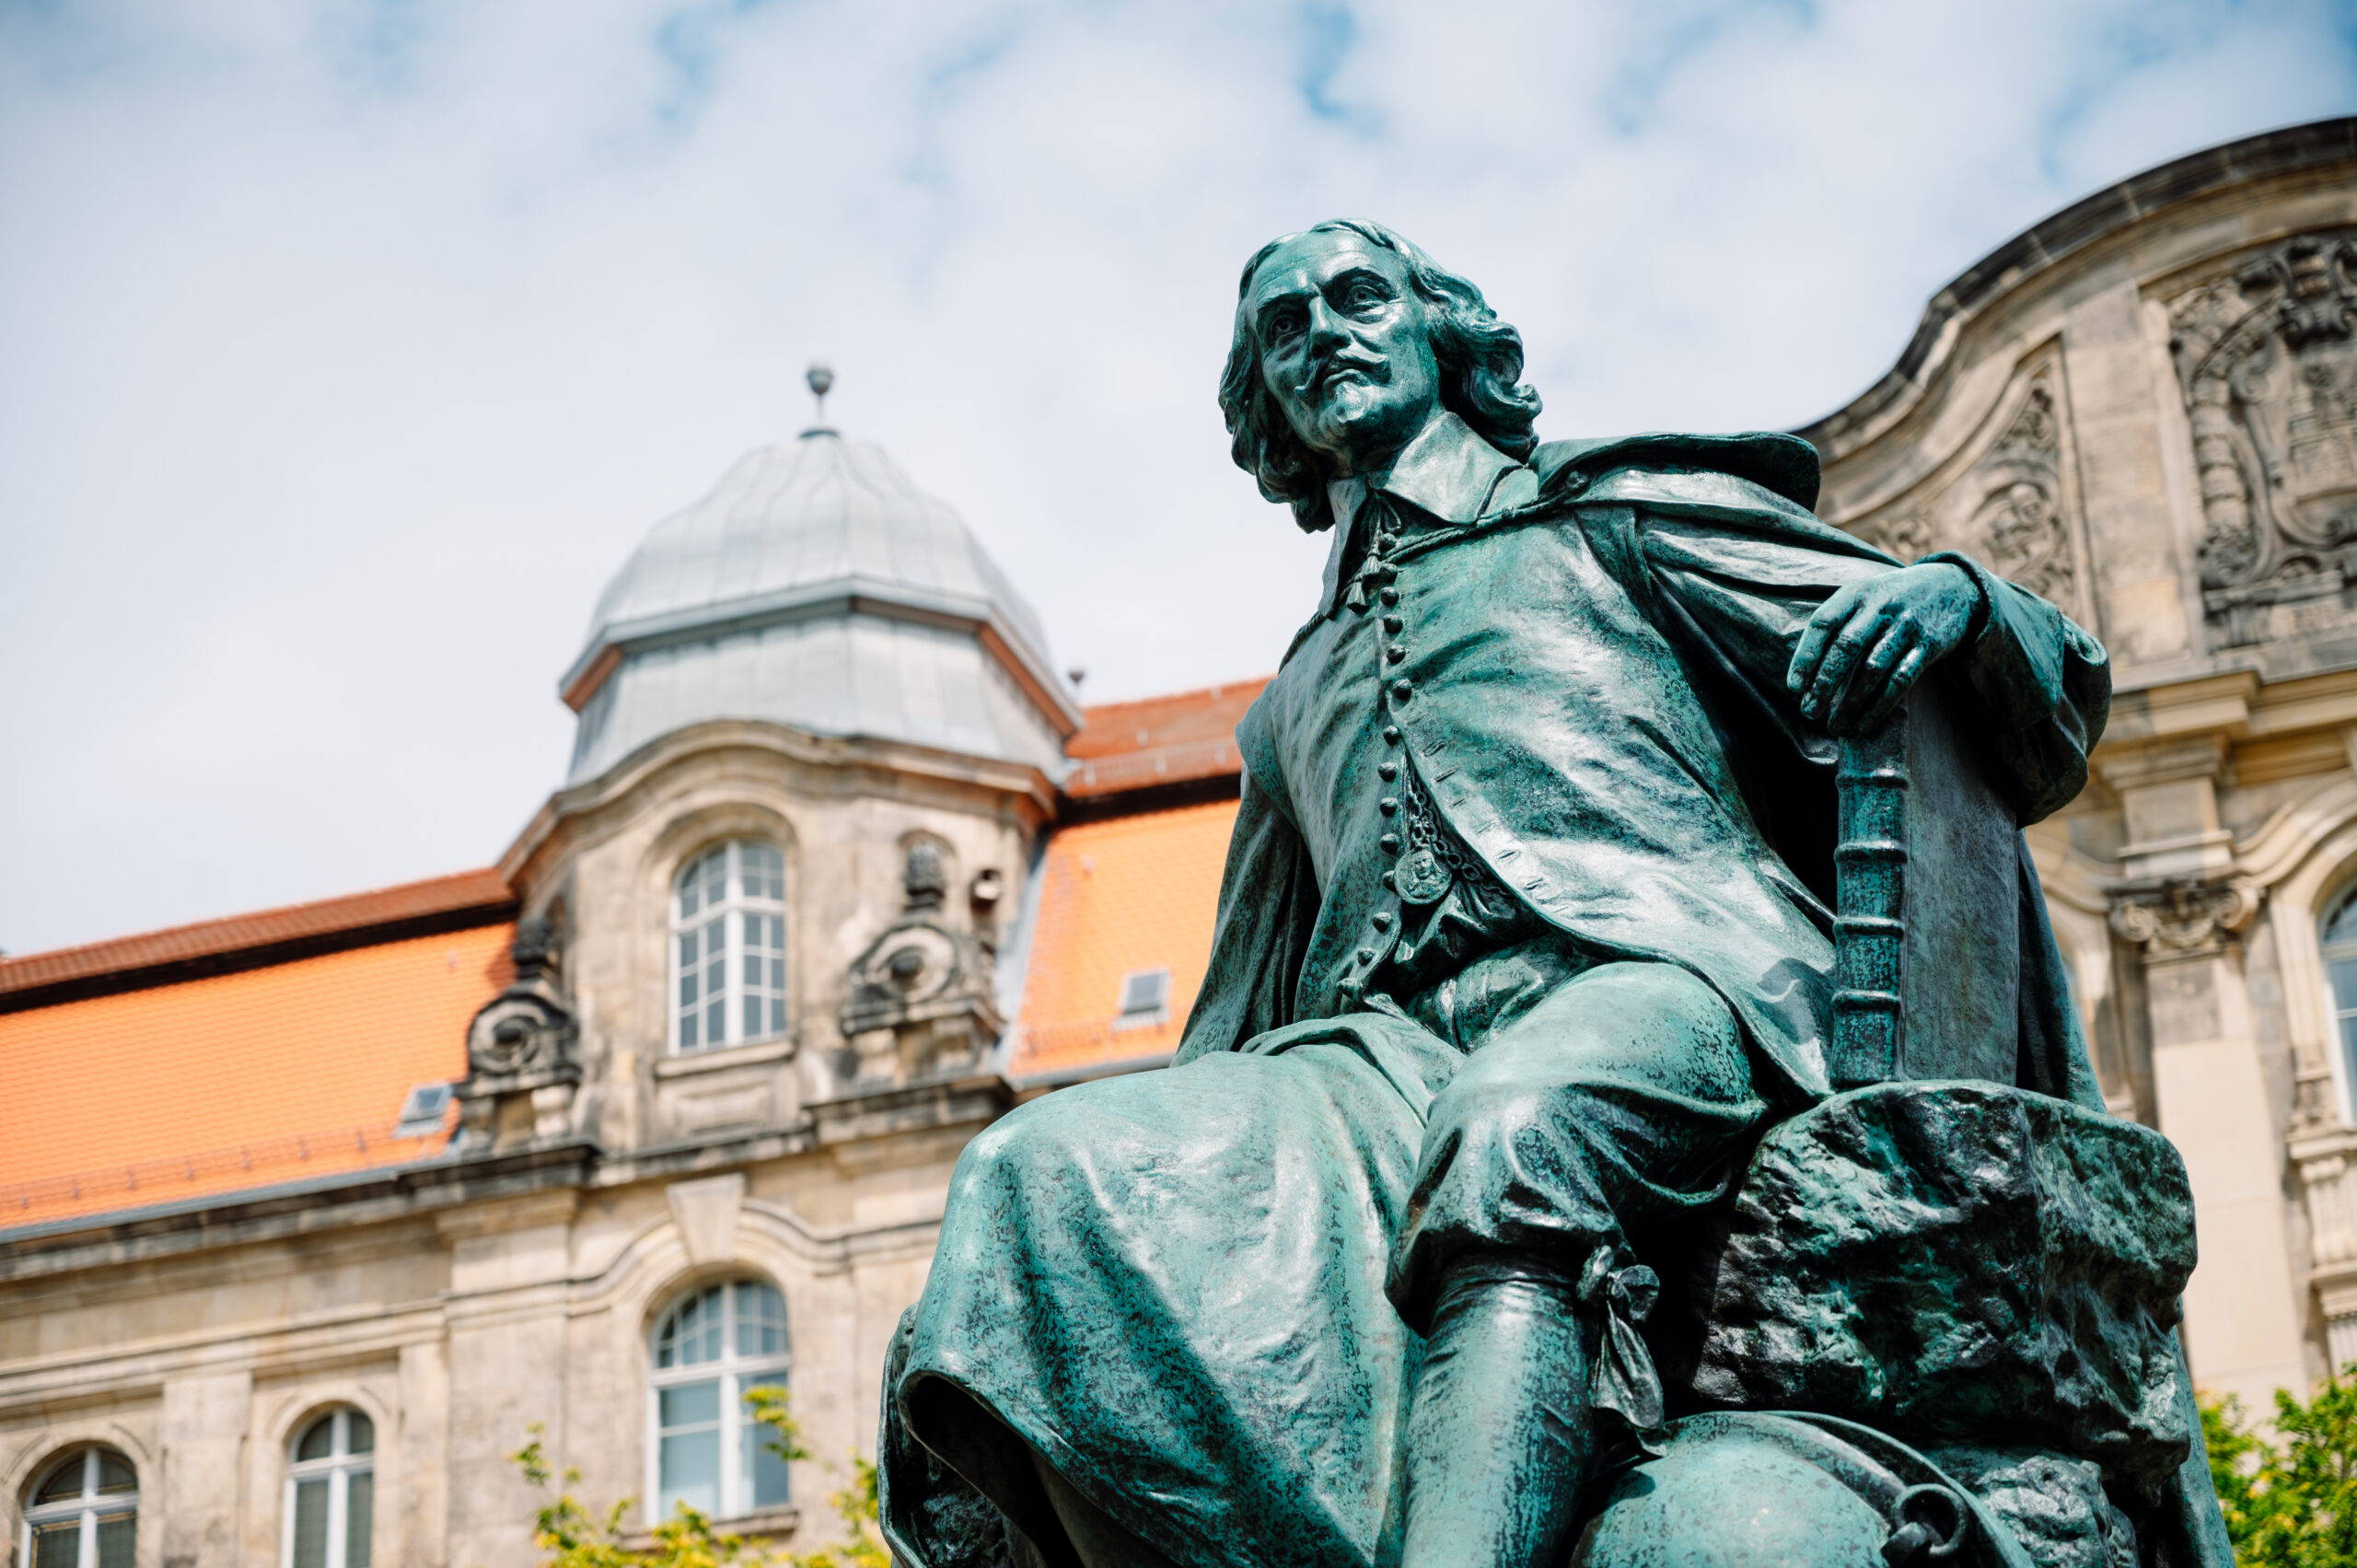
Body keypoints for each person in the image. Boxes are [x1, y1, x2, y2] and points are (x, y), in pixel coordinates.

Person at [877, 220, 2108, 1568]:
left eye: (1357, 299)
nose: (1323, 336)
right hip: (1373, 1053)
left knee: (1517, 1124)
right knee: (1032, 1175)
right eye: (1283, 331)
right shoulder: (1293, 695)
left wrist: (1964, 599)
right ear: (1266, 403)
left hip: (1659, 986)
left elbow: (2021, 665)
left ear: (1441, 333)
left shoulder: (1610, 514)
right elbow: (1236, 1004)